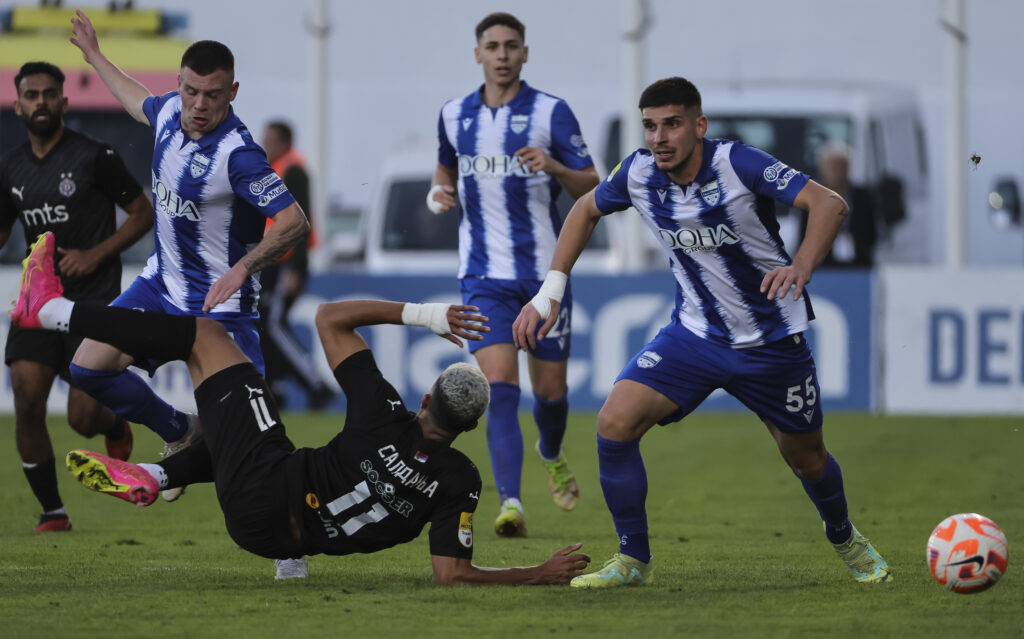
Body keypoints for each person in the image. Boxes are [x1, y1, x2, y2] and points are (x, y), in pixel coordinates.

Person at [12, 232, 590, 585]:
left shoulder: (382, 412)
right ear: (469, 429)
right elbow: (454, 575)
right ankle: (161, 472)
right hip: (272, 537)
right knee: (256, 429)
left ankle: (55, 312)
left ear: (422, 399)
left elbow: (329, 317)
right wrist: (536, 573)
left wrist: (425, 315)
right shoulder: (460, 480)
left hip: (265, 486)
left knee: (206, 337)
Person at [513, 77, 891, 588]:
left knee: (807, 459)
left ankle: (844, 535)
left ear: (698, 125)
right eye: (650, 125)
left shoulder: (738, 164)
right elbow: (584, 209)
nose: (659, 137)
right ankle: (633, 560)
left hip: (771, 344)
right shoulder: (639, 173)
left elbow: (830, 203)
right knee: (614, 423)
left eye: (671, 124)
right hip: (694, 338)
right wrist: (549, 291)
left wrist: (802, 266)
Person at [67, 11, 309, 503]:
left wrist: (242, 269)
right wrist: (94, 56)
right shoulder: (168, 117)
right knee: (88, 367)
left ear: (233, 92)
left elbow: (294, 221)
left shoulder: (238, 155)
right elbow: (136, 98)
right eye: (190, 91)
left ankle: (290, 549)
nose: (199, 105)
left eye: (213, 95)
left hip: (220, 309)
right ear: (178, 84)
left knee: (249, 440)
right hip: (160, 286)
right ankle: (179, 428)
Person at [427, 12, 600, 537]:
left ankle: (551, 450)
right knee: (500, 389)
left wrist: (554, 167)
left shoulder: (551, 112)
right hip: (482, 277)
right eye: (493, 46)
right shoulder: (454, 114)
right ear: (477, 54)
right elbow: (445, 165)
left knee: (550, 395)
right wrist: (439, 191)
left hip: (545, 279)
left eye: (511, 46)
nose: (502, 54)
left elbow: (591, 187)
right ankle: (511, 504)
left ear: (525, 53)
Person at [0, 61, 153, 532]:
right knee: (26, 398)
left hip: (92, 301)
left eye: (49, 94)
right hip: (36, 304)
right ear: (18, 103)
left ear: (64, 102)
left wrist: (95, 254)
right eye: (32, 94)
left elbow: (141, 213)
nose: (41, 101)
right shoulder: (10, 167)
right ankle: (53, 512)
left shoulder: (94, 156)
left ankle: (113, 424)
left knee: (83, 418)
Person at [258, 121, 334, 410]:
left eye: (270, 141)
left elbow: (301, 224)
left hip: (285, 263)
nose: (265, 147)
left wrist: (297, 269)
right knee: (265, 327)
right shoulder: (276, 170)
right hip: (273, 262)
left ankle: (316, 386)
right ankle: (276, 390)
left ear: (284, 143)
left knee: (272, 325)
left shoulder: (294, 170)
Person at [797, 144, 878, 268]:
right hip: (822, 264)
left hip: (860, 264)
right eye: (833, 167)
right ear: (822, 168)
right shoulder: (811, 196)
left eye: (843, 166)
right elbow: (804, 234)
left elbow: (871, 231)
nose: (838, 171)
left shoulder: (863, 196)